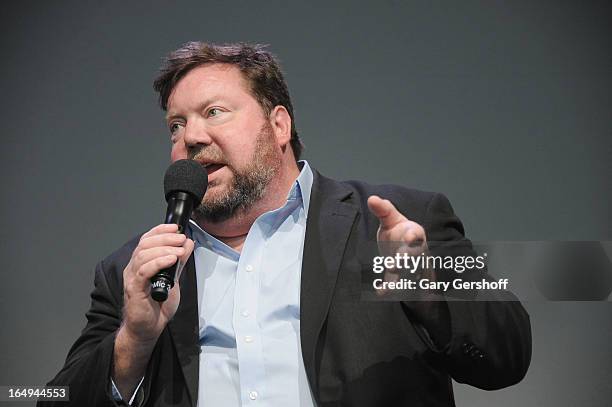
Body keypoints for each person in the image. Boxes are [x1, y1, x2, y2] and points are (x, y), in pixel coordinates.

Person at [41, 42, 531, 407]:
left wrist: (427, 290)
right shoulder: (134, 272)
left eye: (214, 112)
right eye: (176, 124)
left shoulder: (399, 222)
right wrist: (134, 340)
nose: (190, 136)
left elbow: (508, 355)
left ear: (279, 126)